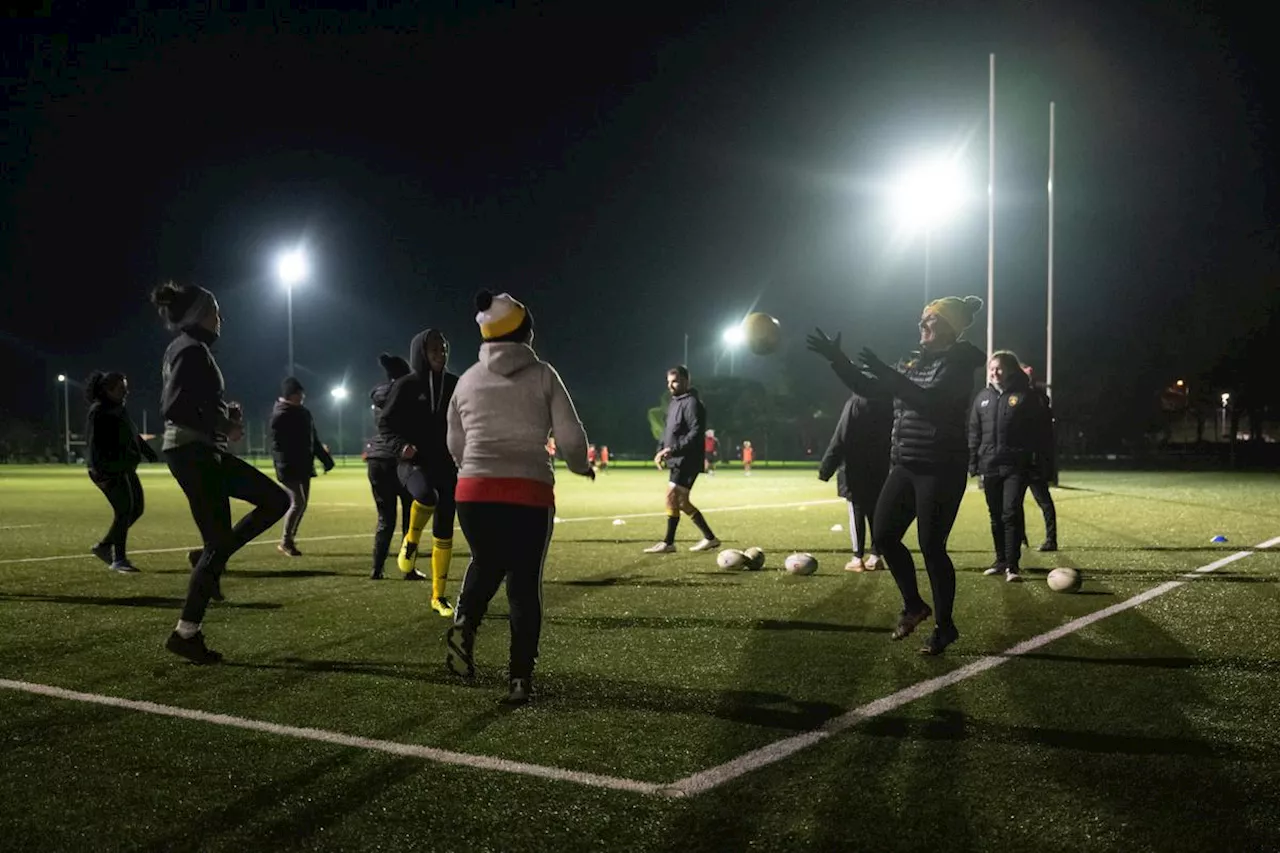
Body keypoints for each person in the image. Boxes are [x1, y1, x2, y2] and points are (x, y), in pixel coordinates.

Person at [807, 295, 985, 655]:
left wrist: (889, 374)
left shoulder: (960, 363)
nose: (922, 326)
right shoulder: (911, 360)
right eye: (922, 320)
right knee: (885, 538)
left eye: (930, 321)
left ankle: (945, 627)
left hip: (940, 467)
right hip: (904, 464)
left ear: (948, 328)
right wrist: (837, 359)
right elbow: (870, 388)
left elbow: (929, 402)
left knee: (932, 547)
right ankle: (914, 605)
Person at [445, 290, 594, 704]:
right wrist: (582, 467)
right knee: (524, 584)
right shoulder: (544, 374)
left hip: (473, 491)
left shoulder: (468, 380)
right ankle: (519, 678)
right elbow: (570, 436)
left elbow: (454, 442)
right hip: (528, 491)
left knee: (486, 562)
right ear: (527, 332)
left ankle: (464, 622)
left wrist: (473, 472)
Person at [151, 281, 290, 664]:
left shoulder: (189, 349)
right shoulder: (189, 350)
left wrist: (223, 415)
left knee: (275, 502)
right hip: (193, 452)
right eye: (214, 311)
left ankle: (209, 560)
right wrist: (222, 423)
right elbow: (174, 407)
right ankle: (185, 632)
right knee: (255, 516)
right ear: (199, 315)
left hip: (200, 450)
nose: (221, 318)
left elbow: (189, 402)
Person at [379, 328, 459, 616]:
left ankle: (439, 597)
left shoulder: (455, 384)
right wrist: (401, 447)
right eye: (434, 348)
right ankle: (411, 541)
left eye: (444, 347)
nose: (441, 353)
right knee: (426, 495)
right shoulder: (407, 385)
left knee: (445, 528)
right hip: (412, 464)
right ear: (421, 353)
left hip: (446, 466)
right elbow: (385, 425)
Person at [969, 351, 1053, 582]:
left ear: (1010, 370)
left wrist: (1039, 462)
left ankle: (1012, 565)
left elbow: (1040, 432)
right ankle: (1000, 560)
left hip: (1016, 465)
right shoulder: (982, 397)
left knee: (1010, 512)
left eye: (999, 368)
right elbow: (974, 432)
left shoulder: (1025, 397)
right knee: (995, 515)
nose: (994, 372)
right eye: (991, 368)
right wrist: (974, 462)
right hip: (990, 465)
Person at [84, 370, 158, 573]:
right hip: (109, 470)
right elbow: (94, 446)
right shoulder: (99, 411)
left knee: (136, 509)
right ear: (108, 390)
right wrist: (102, 473)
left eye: (126, 388)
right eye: (121, 389)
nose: (126, 392)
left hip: (125, 468)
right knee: (124, 510)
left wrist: (149, 452)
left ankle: (104, 546)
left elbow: (133, 434)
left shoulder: (119, 409)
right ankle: (119, 559)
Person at [643, 365, 721, 553]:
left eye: (675, 381)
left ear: (687, 381)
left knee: (672, 496)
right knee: (682, 502)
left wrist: (672, 449)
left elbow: (696, 433)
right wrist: (661, 449)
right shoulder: (674, 402)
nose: (670, 385)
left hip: (688, 459)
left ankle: (668, 543)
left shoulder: (693, 403)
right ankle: (710, 538)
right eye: (668, 382)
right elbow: (668, 430)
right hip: (677, 458)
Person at [818, 391, 891, 572]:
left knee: (856, 510)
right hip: (881, 466)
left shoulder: (856, 402)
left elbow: (841, 436)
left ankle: (857, 558)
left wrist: (826, 468)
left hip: (855, 467)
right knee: (876, 510)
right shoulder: (888, 401)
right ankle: (876, 556)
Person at [269, 376, 335, 557]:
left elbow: (313, 440)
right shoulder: (280, 415)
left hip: (304, 465)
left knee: (302, 504)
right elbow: (278, 445)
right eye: (299, 394)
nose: (302, 397)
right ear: (290, 395)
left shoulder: (304, 413)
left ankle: (289, 539)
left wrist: (325, 459)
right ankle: (286, 541)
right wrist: (284, 463)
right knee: (298, 502)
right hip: (288, 466)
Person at [366, 353, 413, 580]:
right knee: (409, 518)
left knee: (385, 519)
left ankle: (377, 569)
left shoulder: (378, 394)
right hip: (400, 458)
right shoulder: (410, 394)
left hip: (376, 458)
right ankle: (408, 568)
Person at [1021, 365, 1059, 551]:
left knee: (1043, 500)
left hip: (1034, 459)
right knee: (1012, 503)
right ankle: (1020, 537)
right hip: (1017, 459)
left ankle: (1051, 539)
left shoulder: (1039, 398)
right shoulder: (1013, 397)